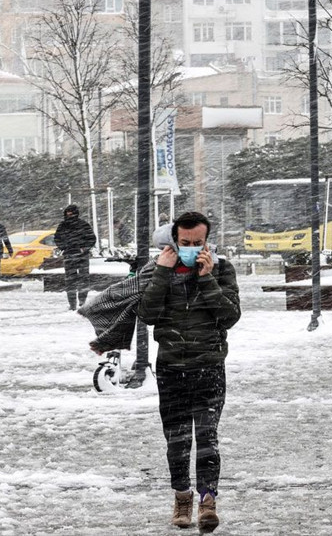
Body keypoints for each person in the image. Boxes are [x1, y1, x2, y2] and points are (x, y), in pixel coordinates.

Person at [136, 211, 241, 533]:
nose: (192, 248)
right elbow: (147, 314)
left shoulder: (222, 269)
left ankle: (208, 501)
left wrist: (207, 278)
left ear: (207, 241)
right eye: (186, 243)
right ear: (174, 240)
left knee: (207, 438)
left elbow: (229, 316)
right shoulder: (157, 269)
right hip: (171, 368)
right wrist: (163, 275)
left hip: (209, 367)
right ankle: (182, 498)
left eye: (199, 243)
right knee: (177, 440)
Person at [54, 204, 97, 310]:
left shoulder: (81, 225)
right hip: (71, 255)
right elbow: (57, 238)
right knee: (74, 280)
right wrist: (64, 247)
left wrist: (83, 248)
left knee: (78, 279)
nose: (70, 215)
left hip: (78, 255)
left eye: (71, 213)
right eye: (68, 213)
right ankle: (74, 303)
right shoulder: (64, 225)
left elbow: (92, 239)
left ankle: (80, 302)